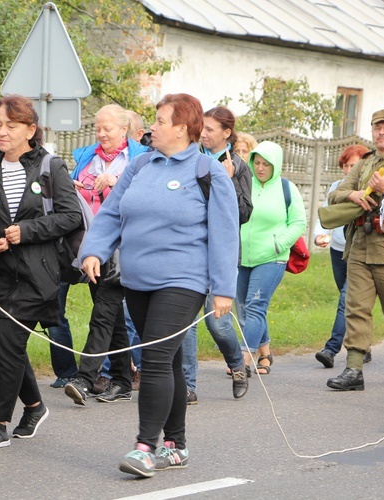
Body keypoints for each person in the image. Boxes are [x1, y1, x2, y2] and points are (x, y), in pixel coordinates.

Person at [80, 93, 239, 478]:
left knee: (152, 360)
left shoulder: (207, 171)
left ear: (182, 128)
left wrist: (223, 289)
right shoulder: (139, 166)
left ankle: (144, 447)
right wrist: (94, 251)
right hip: (137, 280)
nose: (152, 127)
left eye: (160, 121)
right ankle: (177, 446)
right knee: (167, 363)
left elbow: (225, 233)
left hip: (183, 281)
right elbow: (113, 213)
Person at [0, 95, 81, 449]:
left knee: (9, 344)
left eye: (10, 126)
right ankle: (33, 407)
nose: (2, 132)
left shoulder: (50, 166)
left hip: (37, 274)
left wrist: (28, 231)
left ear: (30, 130)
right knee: (5, 346)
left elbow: (70, 215)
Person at [63, 104, 150, 405]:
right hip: (91, 244)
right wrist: (73, 188)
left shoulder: (140, 159)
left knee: (104, 309)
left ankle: (84, 377)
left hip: (125, 244)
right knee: (110, 314)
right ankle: (123, 380)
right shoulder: (88, 157)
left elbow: (148, 198)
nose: (101, 134)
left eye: (107, 128)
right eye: (98, 128)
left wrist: (118, 184)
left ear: (123, 130)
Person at [326, 108, 384, 391]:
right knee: (356, 309)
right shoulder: (364, 164)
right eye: (378, 126)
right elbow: (335, 194)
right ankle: (354, 369)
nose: (382, 132)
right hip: (359, 246)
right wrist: (352, 193)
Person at [182, 106, 253, 403]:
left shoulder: (237, 166)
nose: (205, 134)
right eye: (203, 128)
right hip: (190, 252)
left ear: (227, 133)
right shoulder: (190, 159)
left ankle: (236, 364)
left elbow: (244, 213)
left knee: (216, 322)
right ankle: (187, 386)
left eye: (212, 129)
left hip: (221, 253)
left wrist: (228, 181)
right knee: (185, 323)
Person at [237, 140, 306, 374]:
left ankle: (243, 359)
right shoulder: (245, 184)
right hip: (241, 257)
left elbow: (298, 223)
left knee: (255, 306)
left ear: (276, 165)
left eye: (266, 164)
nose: (260, 168)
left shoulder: (287, 188)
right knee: (245, 307)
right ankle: (265, 354)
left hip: (271, 258)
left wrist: (279, 244)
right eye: (257, 162)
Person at [313, 144, 370, 369]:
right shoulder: (336, 188)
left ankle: (331, 348)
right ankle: (362, 343)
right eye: (345, 166)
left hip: (359, 252)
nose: (348, 170)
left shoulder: (369, 189)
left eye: (353, 166)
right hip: (338, 250)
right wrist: (320, 235)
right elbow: (325, 215)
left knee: (346, 301)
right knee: (353, 303)